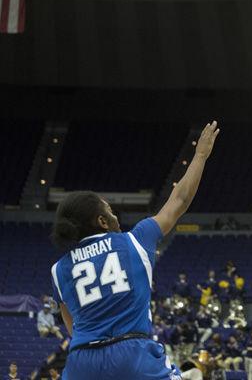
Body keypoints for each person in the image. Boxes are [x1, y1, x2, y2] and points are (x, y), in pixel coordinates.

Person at [49, 121, 219, 380]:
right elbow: (180, 200)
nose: (115, 215)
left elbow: (74, 328)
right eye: (110, 211)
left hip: (82, 363)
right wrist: (200, 155)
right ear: (102, 222)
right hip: (131, 356)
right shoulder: (135, 240)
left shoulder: (58, 270)